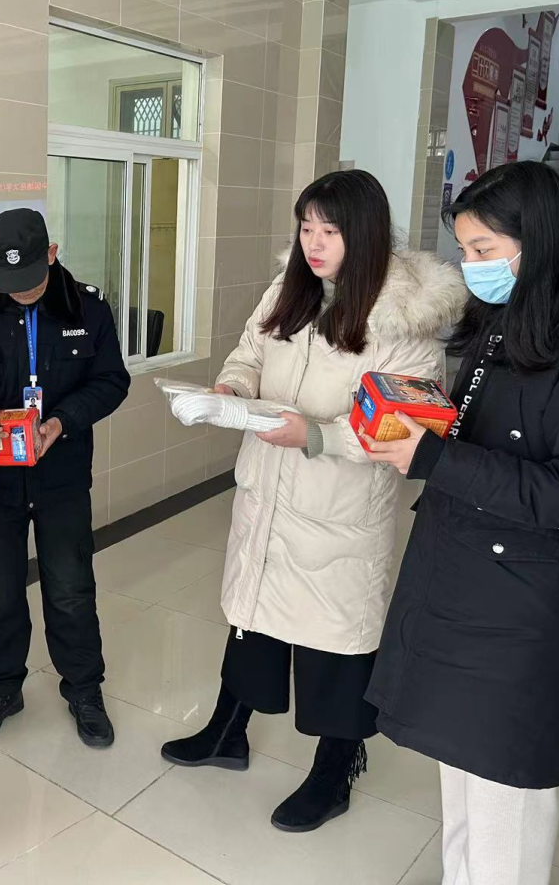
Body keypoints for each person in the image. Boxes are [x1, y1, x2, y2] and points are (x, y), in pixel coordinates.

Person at [159, 170, 465, 832]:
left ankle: (335, 770)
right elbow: (249, 352)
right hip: (268, 491)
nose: (314, 244)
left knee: (336, 647)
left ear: (366, 233)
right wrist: (232, 389)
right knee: (253, 620)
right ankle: (227, 732)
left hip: (340, 509)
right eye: (306, 228)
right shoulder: (289, 289)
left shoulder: (405, 319)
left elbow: (405, 426)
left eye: (330, 231)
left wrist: (318, 436)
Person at [365, 162, 559, 885]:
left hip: (530, 606)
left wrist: (435, 458)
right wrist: (421, 417)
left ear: (539, 242)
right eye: (466, 249)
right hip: (465, 577)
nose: (471, 266)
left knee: (506, 785)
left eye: (484, 250)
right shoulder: (507, 321)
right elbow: (490, 432)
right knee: (462, 767)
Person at [0, 207, 130, 747]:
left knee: (70, 588)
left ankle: (84, 690)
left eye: (29, 278)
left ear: (52, 253)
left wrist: (61, 422)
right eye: (8, 279)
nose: (19, 290)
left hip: (61, 473)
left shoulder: (89, 307)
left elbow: (112, 381)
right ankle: (2, 688)